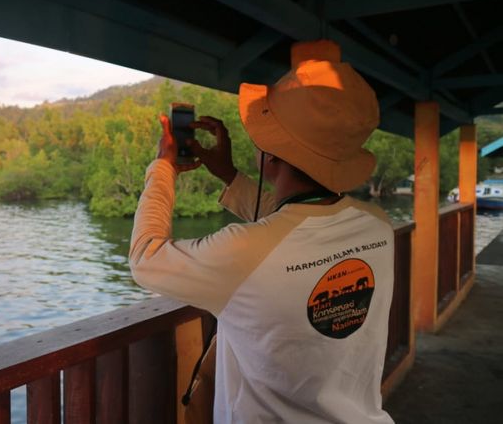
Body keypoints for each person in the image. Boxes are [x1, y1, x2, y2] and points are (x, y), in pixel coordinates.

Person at [129, 40, 395, 423]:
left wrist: (163, 167)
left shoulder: (244, 251)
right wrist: (229, 176)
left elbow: (144, 257)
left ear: (269, 157)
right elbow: (299, 223)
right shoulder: (377, 227)